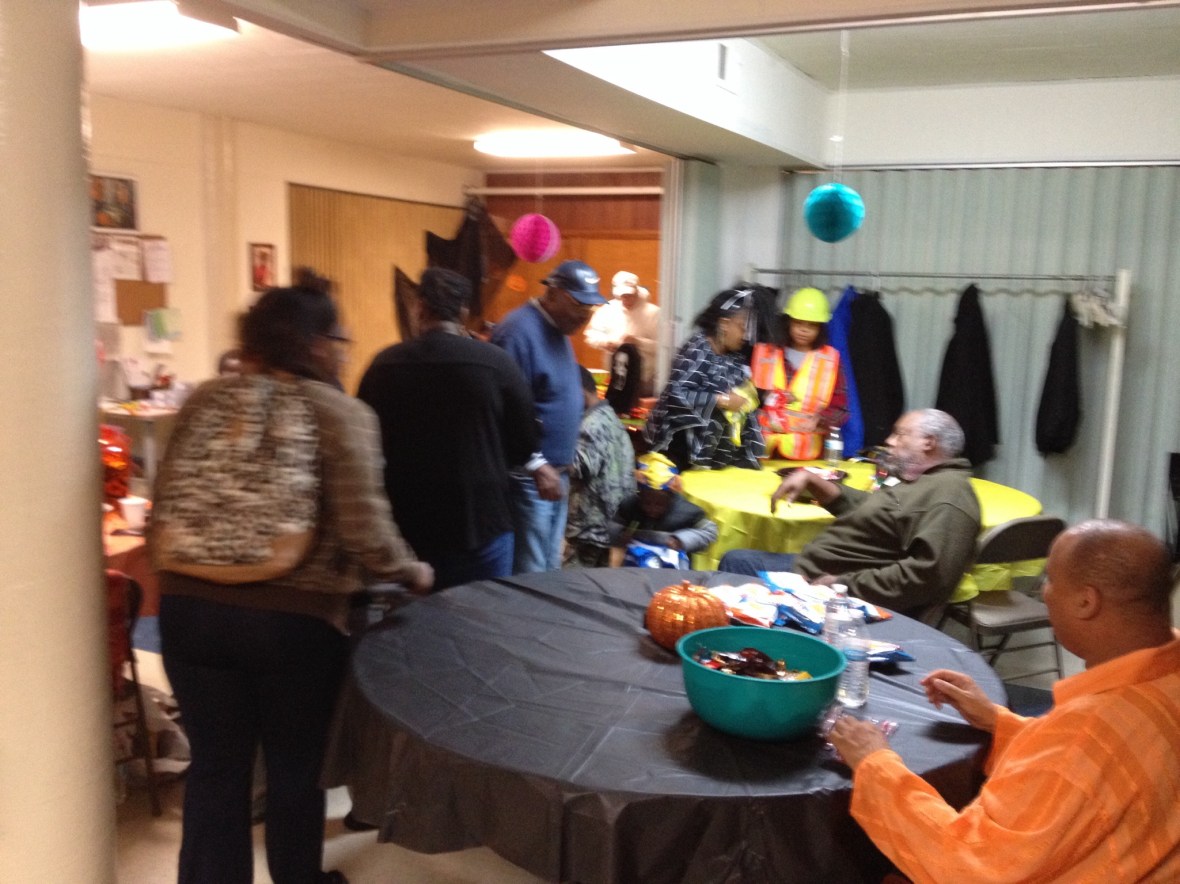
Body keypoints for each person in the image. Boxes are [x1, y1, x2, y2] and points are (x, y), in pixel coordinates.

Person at [152, 283, 432, 884]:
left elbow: (167, 500)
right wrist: (413, 571)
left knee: (216, 769)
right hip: (292, 624)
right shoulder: (341, 413)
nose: (345, 351)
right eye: (341, 339)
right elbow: (366, 531)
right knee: (295, 768)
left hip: (186, 610)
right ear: (318, 345)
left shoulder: (204, 400)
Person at [829, 519, 1180, 883]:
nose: (1044, 592)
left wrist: (874, 763)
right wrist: (998, 722)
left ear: (1086, 602)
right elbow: (1101, 778)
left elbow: (967, 867)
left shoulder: (1080, 738)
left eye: (1050, 580)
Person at [357, 268, 537, 588]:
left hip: (407, 523)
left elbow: (364, 442)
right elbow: (525, 443)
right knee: (481, 611)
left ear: (420, 308)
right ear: (464, 313)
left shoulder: (383, 365)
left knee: (411, 617)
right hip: (481, 521)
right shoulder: (496, 363)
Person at [718, 409, 979, 618]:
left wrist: (842, 585)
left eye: (900, 435)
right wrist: (814, 481)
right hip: (825, 573)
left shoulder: (949, 496)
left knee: (737, 563)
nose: (890, 441)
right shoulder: (928, 483)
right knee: (738, 560)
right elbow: (878, 513)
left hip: (829, 590)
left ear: (928, 442)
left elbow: (928, 578)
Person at [491, 259, 607, 572]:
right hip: (530, 476)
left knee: (548, 565)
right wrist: (536, 464)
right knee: (531, 571)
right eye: (578, 305)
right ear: (552, 293)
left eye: (590, 308)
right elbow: (504, 410)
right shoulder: (517, 332)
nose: (584, 316)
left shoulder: (559, 330)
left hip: (556, 472)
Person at [643, 287, 765, 471]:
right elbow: (676, 395)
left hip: (711, 454)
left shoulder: (735, 356)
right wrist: (722, 400)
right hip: (676, 450)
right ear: (724, 324)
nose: (746, 336)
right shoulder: (698, 349)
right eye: (742, 328)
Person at [752, 286, 848, 460]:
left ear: (820, 328)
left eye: (812, 325)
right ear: (789, 322)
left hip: (806, 454)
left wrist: (820, 418)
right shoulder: (766, 354)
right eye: (798, 323)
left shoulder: (829, 360)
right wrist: (768, 397)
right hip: (764, 451)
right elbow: (748, 397)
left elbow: (841, 407)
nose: (804, 330)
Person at [564, 366, 635, 568]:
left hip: (590, 523)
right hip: (611, 521)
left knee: (574, 579)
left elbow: (580, 467)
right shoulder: (609, 416)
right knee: (597, 578)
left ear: (579, 392)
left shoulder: (590, 425)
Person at [609, 451, 718, 562]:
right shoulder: (630, 506)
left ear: (671, 499)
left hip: (673, 560)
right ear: (640, 496)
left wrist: (681, 540)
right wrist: (620, 534)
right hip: (637, 556)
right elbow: (614, 524)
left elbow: (709, 532)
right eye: (647, 503)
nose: (652, 509)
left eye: (659, 504)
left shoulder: (687, 512)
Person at [584, 270, 662, 396]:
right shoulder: (608, 310)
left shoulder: (654, 314)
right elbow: (590, 334)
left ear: (637, 290)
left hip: (645, 379)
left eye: (629, 295)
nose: (626, 298)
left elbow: (663, 347)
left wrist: (638, 342)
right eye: (622, 295)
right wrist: (605, 343)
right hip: (615, 376)